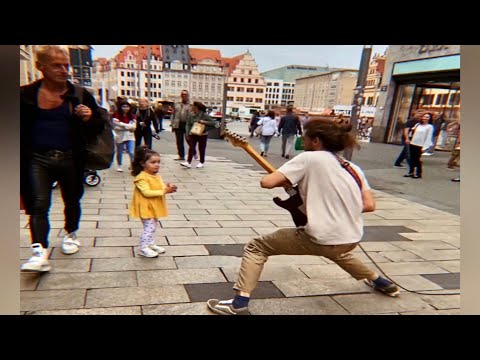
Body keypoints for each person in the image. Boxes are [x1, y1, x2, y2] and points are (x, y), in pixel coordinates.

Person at [206, 119, 399, 315]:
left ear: (315, 140)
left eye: (304, 136)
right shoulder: (353, 168)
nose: (302, 139)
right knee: (337, 252)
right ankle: (382, 283)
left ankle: (238, 303)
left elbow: (267, 182)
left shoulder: (309, 158)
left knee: (257, 247)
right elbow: (369, 205)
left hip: (320, 237)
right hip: (351, 238)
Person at [20, 45, 105, 272]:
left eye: (66, 66)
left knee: (72, 199)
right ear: (41, 67)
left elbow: (99, 126)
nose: (64, 70)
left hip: (71, 158)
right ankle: (39, 250)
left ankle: (70, 233)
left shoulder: (79, 94)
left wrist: (88, 118)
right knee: (38, 204)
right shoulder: (25, 95)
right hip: (37, 158)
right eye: (57, 66)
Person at [130, 146, 177, 257]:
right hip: (145, 207)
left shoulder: (155, 176)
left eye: (158, 162)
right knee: (149, 227)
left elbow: (159, 187)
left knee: (153, 225)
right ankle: (143, 248)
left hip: (153, 206)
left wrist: (167, 186)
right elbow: (146, 192)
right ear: (142, 163)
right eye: (153, 162)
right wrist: (164, 191)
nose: (157, 165)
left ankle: (150, 243)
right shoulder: (141, 178)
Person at [180, 102, 218, 169]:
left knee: (201, 148)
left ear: (196, 107)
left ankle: (201, 162)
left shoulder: (204, 115)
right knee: (191, 147)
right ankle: (188, 162)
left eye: (193, 106)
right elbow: (188, 124)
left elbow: (214, 123)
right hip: (193, 133)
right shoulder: (191, 114)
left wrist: (204, 122)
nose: (192, 107)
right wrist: (188, 133)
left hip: (202, 134)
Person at [403, 112, 434, 179]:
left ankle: (418, 173)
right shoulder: (418, 125)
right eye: (424, 116)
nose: (425, 118)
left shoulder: (430, 127)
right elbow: (412, 132)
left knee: (417, 159)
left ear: (430, 119)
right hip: (413, 143)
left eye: (427, 117)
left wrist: (425, 147)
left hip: (420, 145)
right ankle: (411, 172)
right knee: (411, 158)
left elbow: (428, 137)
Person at [112, 101, 136, 172]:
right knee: (119, 151)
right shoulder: (116, 114)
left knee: (131, 151)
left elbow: (133, 127)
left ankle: (132, 165)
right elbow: (115, 126)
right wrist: (127, 126)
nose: (125, 108)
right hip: (119, 136)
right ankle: (119, 165)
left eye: (127, 107)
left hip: (130, 136)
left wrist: (121, 124)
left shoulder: (132, 115)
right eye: (123, 107)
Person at [172, 89, 195, 161]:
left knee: (189, 140)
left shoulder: (191, 105)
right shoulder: (177, 104)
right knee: (179, 141)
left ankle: (194, 152)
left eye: (185, 94)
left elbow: (194, 116)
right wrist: (172, 124)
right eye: (182, 94)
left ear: (188, 96)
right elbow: (173, 115)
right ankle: (181, 155)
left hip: (187, 124)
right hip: (178, 124)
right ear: (181, 96)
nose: (184, 96)